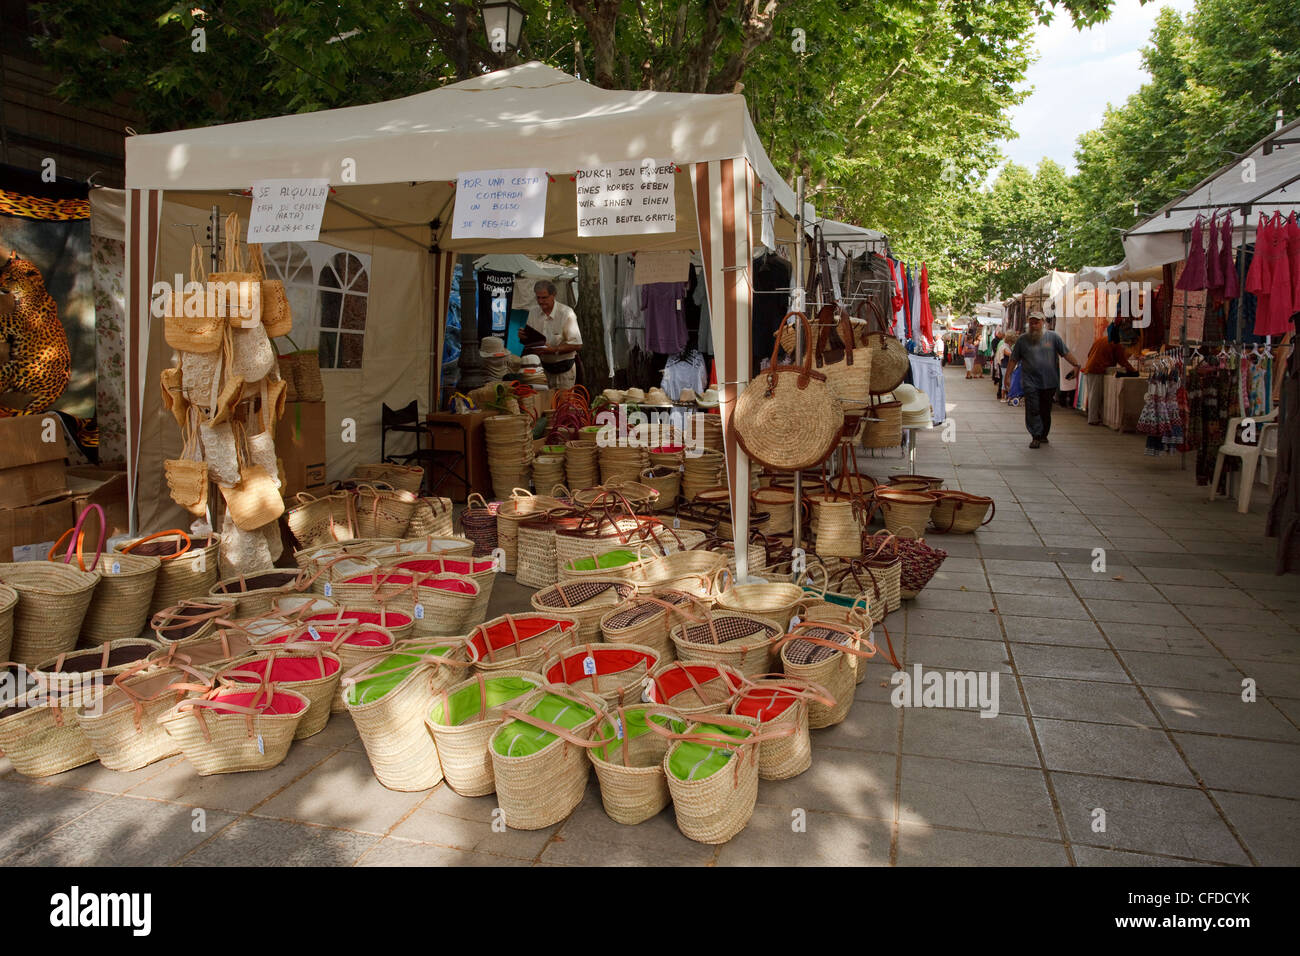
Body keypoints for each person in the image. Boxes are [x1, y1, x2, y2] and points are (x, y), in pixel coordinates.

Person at [1006, 312, 1082, 448]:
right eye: (1032, 323)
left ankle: (1043, 434)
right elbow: (1013, 359)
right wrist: (1008, 376)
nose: (1034, 325)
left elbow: (1066, 353)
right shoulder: (1022, 340)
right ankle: (1036, 435)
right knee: (1033, 408)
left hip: (1049, 381)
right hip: (1030, 381)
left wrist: (1076, 365)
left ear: (1043, 322)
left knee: (1045, 409)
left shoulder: (1053, 337)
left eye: (1037, 322)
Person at [521, 279, 582, 390]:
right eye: (538, 298)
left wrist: (553, 350)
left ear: (553, 295)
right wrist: (525, 338)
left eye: (544, 297)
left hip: (564, 371)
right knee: (545, 405)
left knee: (563, 405)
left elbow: (577, 345)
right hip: (542, 369)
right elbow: (532, 341)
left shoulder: (566, 313)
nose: (540, 301)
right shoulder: (533, 312)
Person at [1081, 325, 1136, 425]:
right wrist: (1133, 370)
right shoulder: (1116, 343)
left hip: (1091, 367)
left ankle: (1095, 417)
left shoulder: (1101, 339)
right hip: (1097, 369)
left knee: (1093, 394)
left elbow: (1089, 354)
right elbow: (1122, 360)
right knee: (1096, 395)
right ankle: (1093, 419)